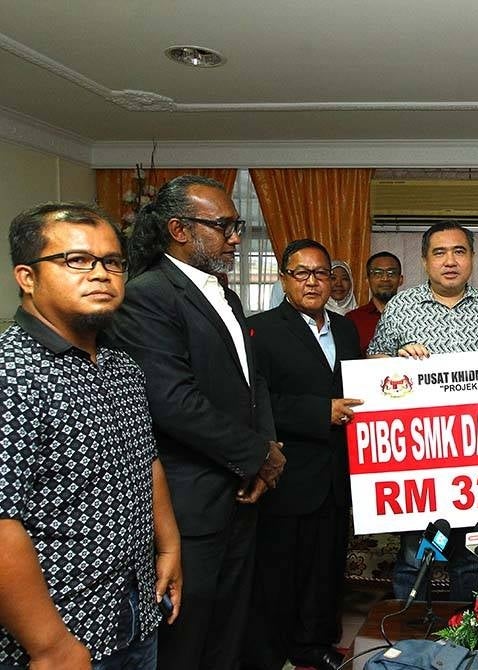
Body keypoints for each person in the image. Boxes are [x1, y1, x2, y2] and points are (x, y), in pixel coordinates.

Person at [110, 175, 285, 670]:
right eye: (224, 226)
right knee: (186, 636)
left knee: (228, 628)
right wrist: (258, 455)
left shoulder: (225, 295)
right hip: (190, 503)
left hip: (241, 492)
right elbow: (172, 402)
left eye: (237, 225)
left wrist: (266, 448)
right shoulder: (148, 295)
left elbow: (254, 384)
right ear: (179, 230)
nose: (235, 237)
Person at [0, 203, 181, 670]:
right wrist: (49, 644)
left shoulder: (122, 368)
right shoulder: (12, 371)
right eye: (76, 260)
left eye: (112, 261)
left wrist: (169, 546)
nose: (101, 274)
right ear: (27, 277)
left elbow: (147, 462)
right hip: (60, 633)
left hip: (136, 609)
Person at [368, 221, 478, 602]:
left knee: (470, 557)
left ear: (472, 259)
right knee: (416, 554)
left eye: (459, 251)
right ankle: (407, 643)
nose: (450, 261)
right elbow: (370, 364)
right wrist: (395, 358)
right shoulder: (401, 306)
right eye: (439, 252)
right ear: (425, 261)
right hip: (418, 458)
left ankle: (468, 640)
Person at [243, 239, 363, 670]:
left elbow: (358, 388)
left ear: (332, 280)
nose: (312, 282)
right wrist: (319, 412)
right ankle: (270, 651)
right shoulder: (259, 329)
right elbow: (256, 399)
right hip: (286, 473)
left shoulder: (346, 328)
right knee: (278, 571)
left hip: (337, 474)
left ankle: (314, 646)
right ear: (283, 278)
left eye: (321, 273)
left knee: (325, 569)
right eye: (301, 273)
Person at [346, 251, 404, 353]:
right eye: (377, 273)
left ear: (400, 280)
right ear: (367, 280)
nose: (385, 278)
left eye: (391, 273)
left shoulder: (414, 316)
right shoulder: (353, 319)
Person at [271, 260, 357, 315]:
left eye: (345, 278)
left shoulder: (358, 315)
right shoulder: (312, 313)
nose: (339, 284)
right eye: (333, 278)